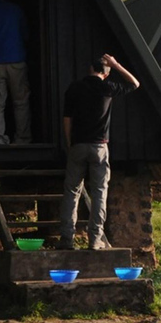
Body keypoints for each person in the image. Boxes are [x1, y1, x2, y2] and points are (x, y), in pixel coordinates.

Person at [59, 54, 139, 250]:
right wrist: (116, 64)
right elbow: (135, 84)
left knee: (71, 192)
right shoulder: (107, 88)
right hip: (99, 147)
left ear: (90, 69)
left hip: (78, 144)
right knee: (99, 192)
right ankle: (95, 239)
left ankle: (67, 239)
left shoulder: (74, 88)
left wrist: (70, 143)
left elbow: (67, 119)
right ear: (105, 73)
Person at [0, 0, 31, 145]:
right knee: (21, 102)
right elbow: (26, 35)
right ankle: (22, 139)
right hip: (16, 59)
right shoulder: (16, 10)